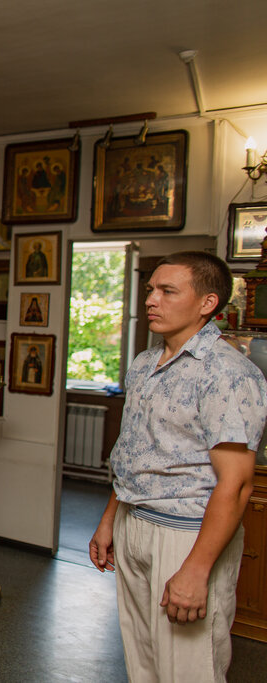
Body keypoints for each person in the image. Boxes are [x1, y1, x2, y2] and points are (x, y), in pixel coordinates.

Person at [89, 251, 267, 683]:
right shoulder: (145, 363)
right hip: (134, 522)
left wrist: (196, 570)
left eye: (168, 291)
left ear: (207, 303)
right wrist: (111, 519)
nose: (151, 299)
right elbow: (134, 452)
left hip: (186, 535)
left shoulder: (228, 374)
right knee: (144, 662)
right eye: (151, 289)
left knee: (189, 670)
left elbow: (238, 485)